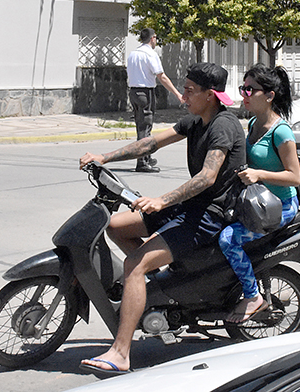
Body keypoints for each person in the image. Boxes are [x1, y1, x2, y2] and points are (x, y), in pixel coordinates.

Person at [78, 62, 246, 376]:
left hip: (210, 215)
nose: (183, 96)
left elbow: (208, 177)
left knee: (134, 264)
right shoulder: (196, 120)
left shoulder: (223, 125)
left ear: (210, 95)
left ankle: (121, 353)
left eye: (189, 91)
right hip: (190, 207)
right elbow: (152, 142)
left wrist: (162, 200)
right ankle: (155, 285)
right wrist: (105, 156)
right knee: (114, 226)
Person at [219, 63, 300, 323]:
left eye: (250, 90)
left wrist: (260, 174)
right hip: (257, 203)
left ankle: (253, 295)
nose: (244, 94)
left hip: (281, 206)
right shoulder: (253, 122)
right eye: (243, 88)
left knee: (228, 239)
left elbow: (294, 176)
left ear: (269, 96)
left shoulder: (281, 131)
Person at [127, 28, 184, 173]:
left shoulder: (133, 54)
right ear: (152, 38)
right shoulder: (150, 54)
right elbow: (161, 76)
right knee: (145, 128)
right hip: (145, 92)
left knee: (141, 125)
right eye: (156, 38)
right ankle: (142, 161)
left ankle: (147, 155)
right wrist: (177, 94)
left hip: (133, 91)